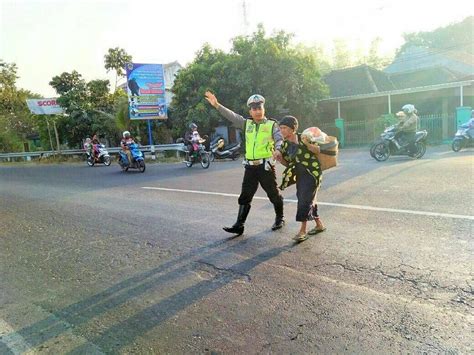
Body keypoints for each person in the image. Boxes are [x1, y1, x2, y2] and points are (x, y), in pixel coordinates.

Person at [205, 91, 285, 235]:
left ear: (263, 109)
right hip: (250, 167)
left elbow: (279, 139)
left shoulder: (272, 125)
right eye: (254, 109)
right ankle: (239, 225)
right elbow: (232, 115)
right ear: (250, 111)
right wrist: (217, 105)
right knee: (245, 196)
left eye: (260, 108)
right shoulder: (246, 123)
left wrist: (278, 150)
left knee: (273, 194)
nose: (257, 111)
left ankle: (280, 218)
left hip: (265, 166)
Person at [276, 116, 326, 242]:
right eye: (280, 128)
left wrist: (308, 144)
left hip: (312, 173)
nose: (282, 131)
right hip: (300, 175)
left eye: (284, 128)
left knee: (304, 200)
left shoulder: (305, 137)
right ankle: (319, 225)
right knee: (307, 199)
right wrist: (280, 159)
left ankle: (302, 231)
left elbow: (319, 150)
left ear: (293, 129)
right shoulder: (285, 145)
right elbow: (288, 164)